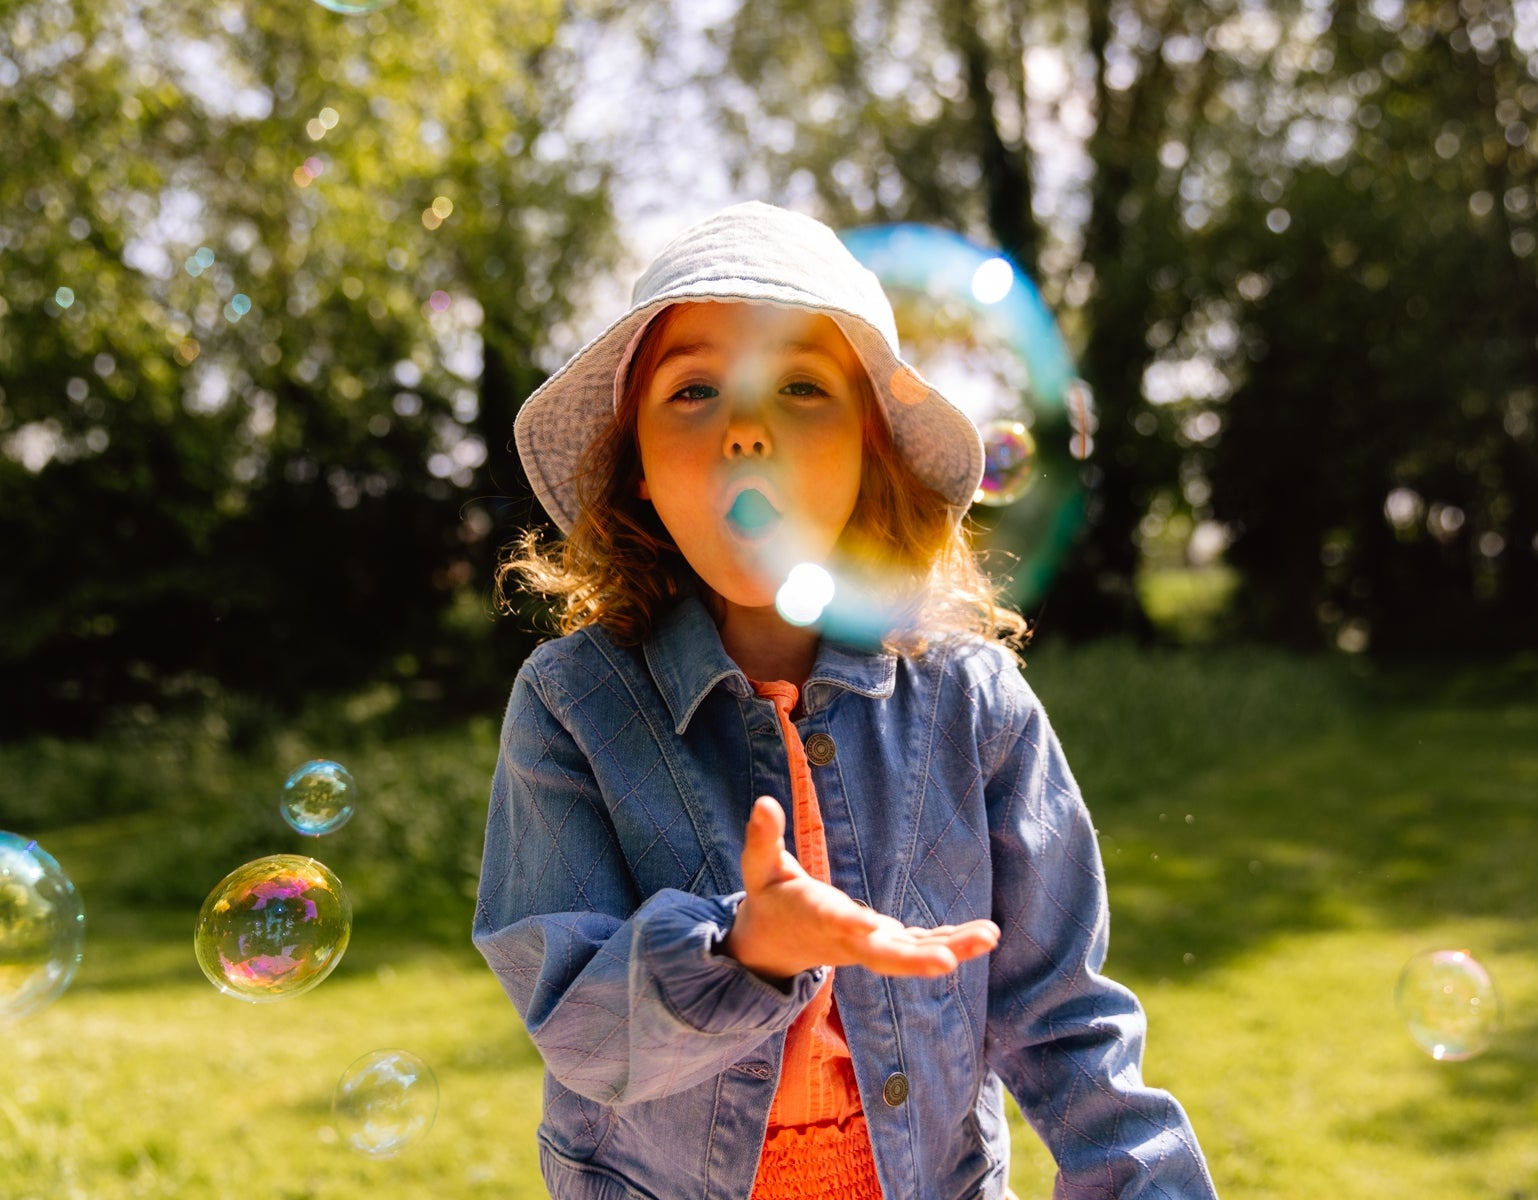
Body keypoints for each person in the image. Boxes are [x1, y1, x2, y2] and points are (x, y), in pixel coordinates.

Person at [474, 201, 1218, 1199]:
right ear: (636, 467)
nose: (745, 429)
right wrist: (744, 951)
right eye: (693, 388)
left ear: (872, 450)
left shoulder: (971, 702)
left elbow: (1066, 1022)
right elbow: (579, 1028)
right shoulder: (572, 705)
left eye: (797, 386)